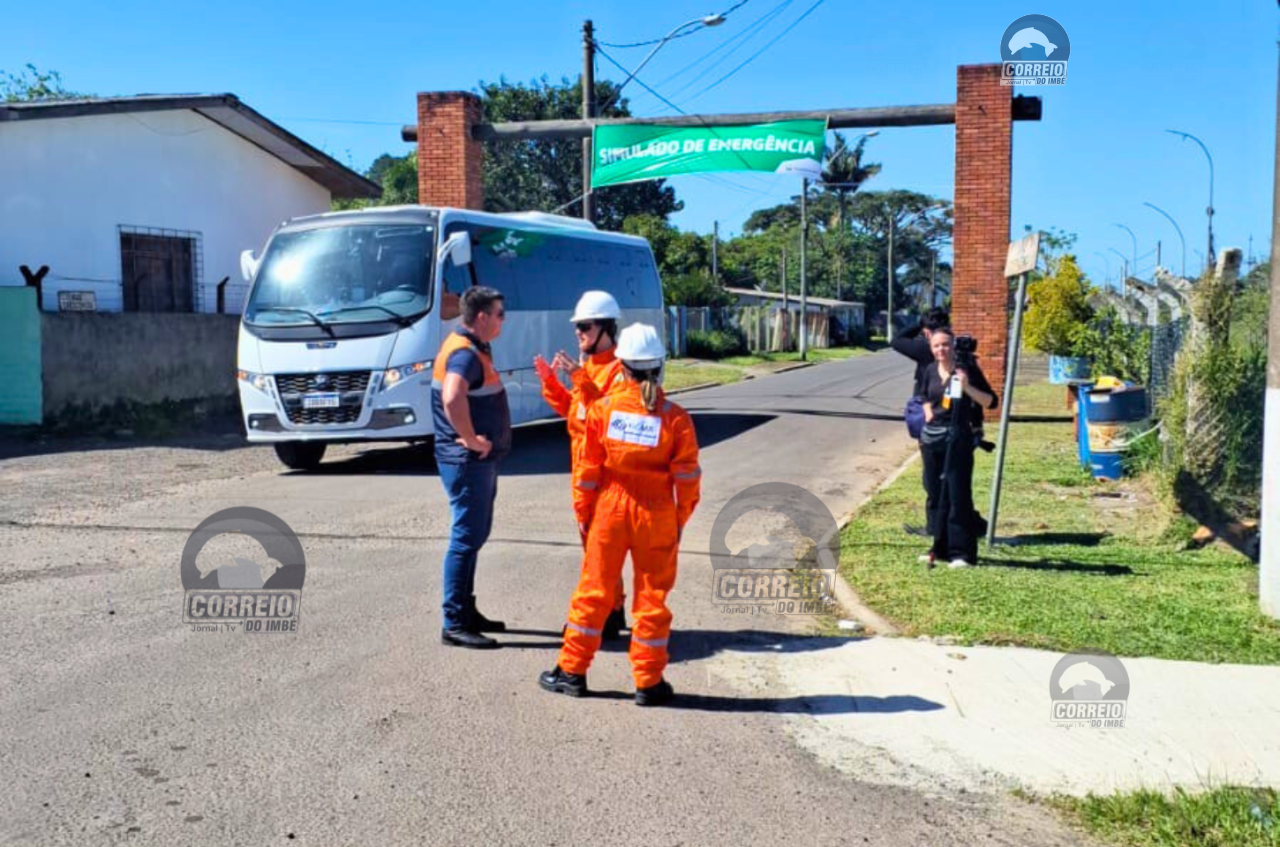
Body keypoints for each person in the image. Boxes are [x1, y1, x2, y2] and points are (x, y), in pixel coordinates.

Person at [538, 323, 701, 706]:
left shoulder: (603, 410)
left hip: (610, 511)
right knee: (652, 598)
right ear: (660, 367)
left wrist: (584, 512)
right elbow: (689, 480)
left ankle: (572, 672)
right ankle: (648, 681)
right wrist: (678, 519)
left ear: (622, 366)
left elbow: (587, 470)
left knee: (594, 591)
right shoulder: (676, 418)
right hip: (657, 513)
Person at [534, 291, 630, 640]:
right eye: (577, 327)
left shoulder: (620, 370)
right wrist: (550, 382)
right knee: (594, 546)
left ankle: (600, 615)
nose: (579, 333)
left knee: (600, 549)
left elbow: (607, 415)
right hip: (582, 473)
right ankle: (614, 610)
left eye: (585, 326)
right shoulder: (587, 366)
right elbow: (575, 414)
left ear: (606, 327)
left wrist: (579, 379)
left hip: (604, 476)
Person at [431, 286, 512, 649]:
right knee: (465, 539)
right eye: (498, 313)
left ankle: (466, 609)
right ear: (481, 316)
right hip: (467, 462)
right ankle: (454, 622)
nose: (502, 320)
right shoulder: (464, 354)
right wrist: (471, 437)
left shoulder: (467, 346)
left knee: (474, 536)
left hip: (472, 461)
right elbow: (452, 396)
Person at [918, 327, 997, 568]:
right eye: (936, 346)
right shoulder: (930, 369)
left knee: (957, 495)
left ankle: (962, 553)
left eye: (945, 345)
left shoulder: (966, 370)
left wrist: (966, 387)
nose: (941, 349)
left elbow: (991, 401)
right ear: (931, 349)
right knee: (936, 493)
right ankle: (939, 549)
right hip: (933, 439)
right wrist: (928, 412)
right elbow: (923, 396)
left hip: (958, 438)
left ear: (952, 346)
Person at [891, 308, 952, 541]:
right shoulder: (950, 347)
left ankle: (934, 526)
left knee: (932, 474)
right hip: (950, 415)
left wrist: (918, 325)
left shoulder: (927, 348)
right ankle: (957, 520)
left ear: (927, 332)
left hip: (929, 414)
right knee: (951, 472)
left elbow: (896, 340)